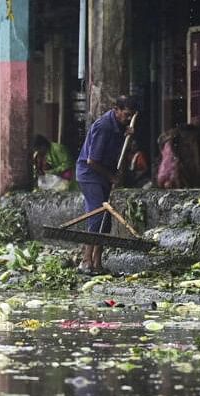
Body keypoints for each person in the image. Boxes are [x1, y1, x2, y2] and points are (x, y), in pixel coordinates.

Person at [75, 95, 138, 275]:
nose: (128, 118)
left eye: (131, 115)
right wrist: (111, 177)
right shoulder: (104, 126)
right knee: (97, 216)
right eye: (126, 114)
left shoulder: (122, 126)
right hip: (90, 175)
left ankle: (97, 262)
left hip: (103, 174)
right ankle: (86, 261)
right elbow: (92, 161)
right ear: (116, 110)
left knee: (105, 219)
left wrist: (129, 136)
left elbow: (122, 151)